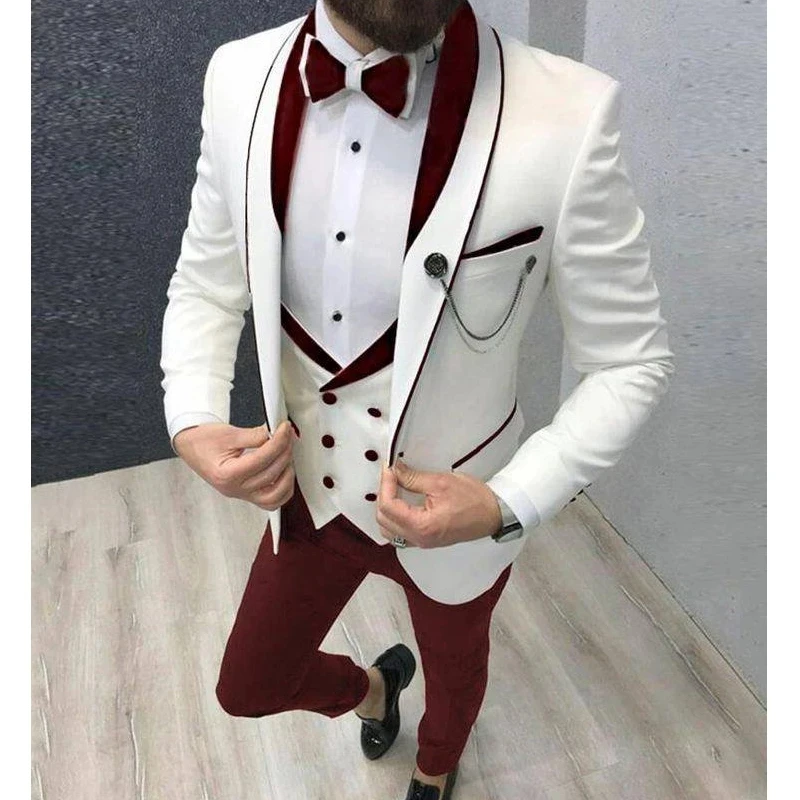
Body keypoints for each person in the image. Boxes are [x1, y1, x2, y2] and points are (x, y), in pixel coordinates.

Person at [159, 1, 675, 797]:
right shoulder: (237, 76)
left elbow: (631, 360)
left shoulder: (571, 110)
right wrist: (192, 412)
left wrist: (508, 501)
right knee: (249, 684)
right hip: (308, 495)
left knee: (457, 675)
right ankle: (375, 689)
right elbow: (207, 278)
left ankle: (435, 768)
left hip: (462, 514)